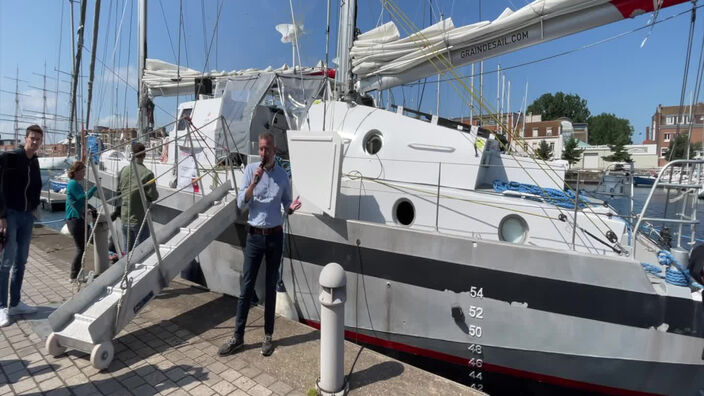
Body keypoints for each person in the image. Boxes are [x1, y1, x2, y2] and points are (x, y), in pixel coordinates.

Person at [218, 132, 301, 357]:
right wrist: (253, 183)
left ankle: (267, 336)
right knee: (246, 287)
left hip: (274, 236)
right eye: (261, 149)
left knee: (270, 286)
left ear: (274, 150)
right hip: (254, 236)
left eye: (267, 149)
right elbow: (241, 203)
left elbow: (286, 205)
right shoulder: (249, 170)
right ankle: (238, 336)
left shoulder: (283, 177)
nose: (263, 153)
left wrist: (292, 208)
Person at [0, 125, 43, 327]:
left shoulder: (34, 162)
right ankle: (1, 307)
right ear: (25, 138)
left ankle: (15, 302)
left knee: (21, 261)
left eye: (38, 140)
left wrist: (34, 207)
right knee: (6, 262)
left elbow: (36, 186)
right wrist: (1, 215)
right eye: (32, 138)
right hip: (11, 215)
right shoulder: (10, 158)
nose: (34, 142)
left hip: (27, 216)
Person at [118, 143, 158, 252]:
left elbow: (119, 190)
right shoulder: (147, 174)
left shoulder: (123, 171)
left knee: (127, 253)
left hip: (125, 216)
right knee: (143, 252)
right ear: (143, 155)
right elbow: (153, 196)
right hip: (139, 218)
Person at [65, 161, 97, 281]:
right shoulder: (73, 184)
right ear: (76, 172)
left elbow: (80, 202)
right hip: (75, 220)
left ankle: (77, 273)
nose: (84, 174)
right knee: (80, 249)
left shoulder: (74, 184)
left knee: (83, 247)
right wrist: (94, 188)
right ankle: (74, 275)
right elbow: (82, 198)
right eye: (83, 171)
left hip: (76, 219)